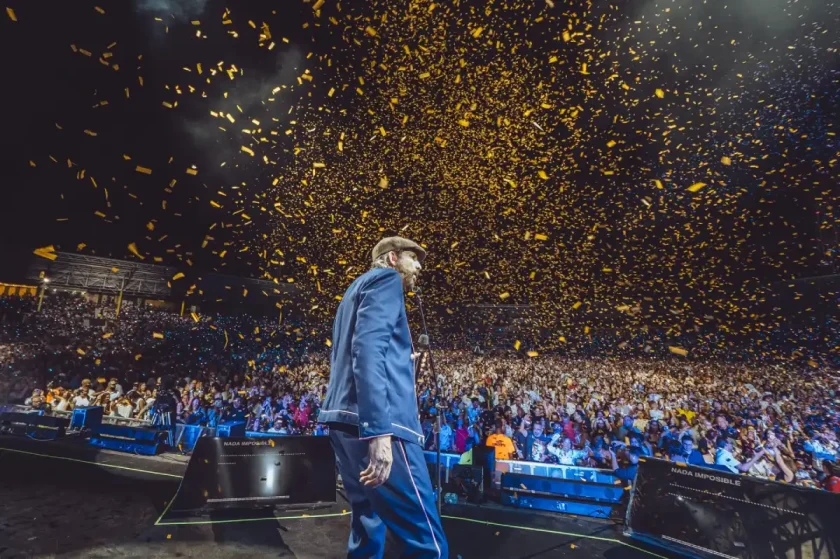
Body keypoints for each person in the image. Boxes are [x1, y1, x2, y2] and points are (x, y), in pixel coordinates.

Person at [318, 236, 448, 559]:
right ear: (392, 259)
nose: (419, 266)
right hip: (379, 426)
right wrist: (378, 431)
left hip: (342, 423)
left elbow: (354, 351)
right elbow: (368, 349)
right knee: (426, 541)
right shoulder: (387, 281)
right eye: (412, 258)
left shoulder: (352, 291)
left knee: (368, 527)